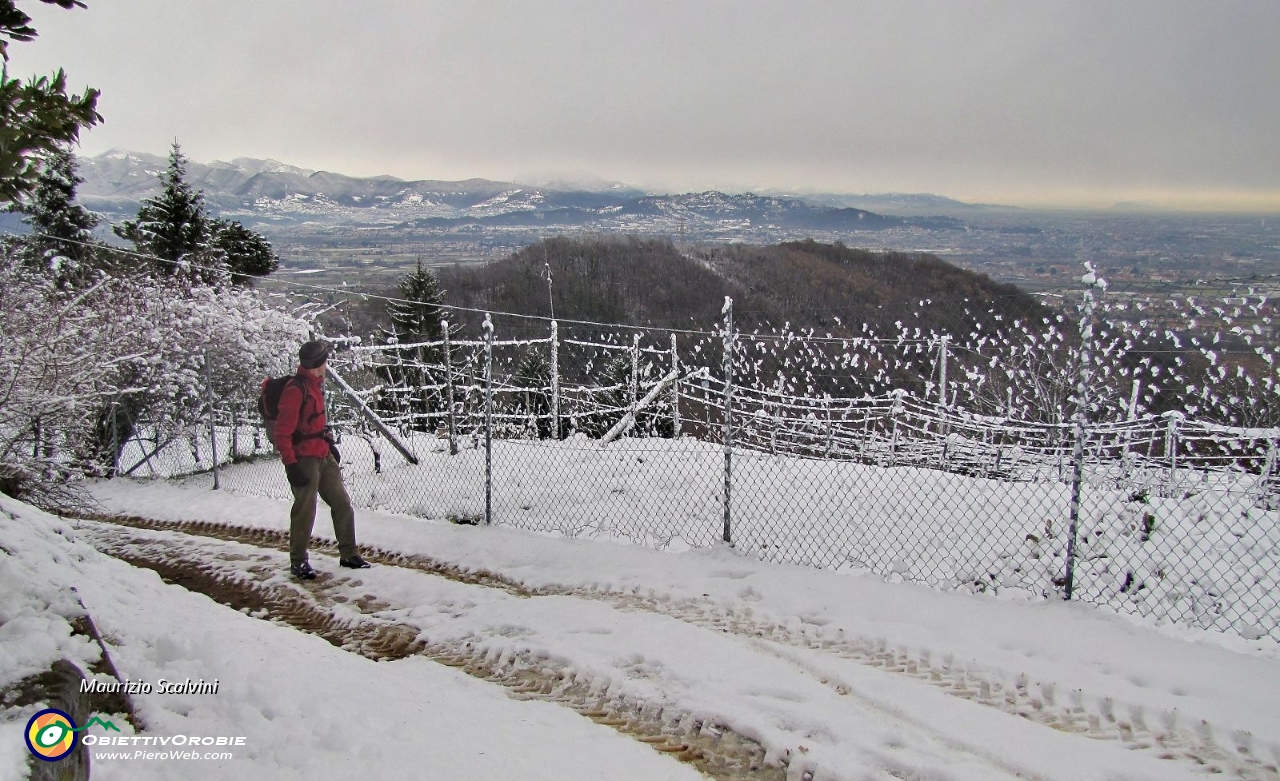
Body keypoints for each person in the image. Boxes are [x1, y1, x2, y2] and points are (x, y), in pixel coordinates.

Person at [275, 339, 370, 579]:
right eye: (324, 361)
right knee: (305, 510)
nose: (327, 365)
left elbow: (313, 421)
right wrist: (291, 463)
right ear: (318, 364)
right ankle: (298, 561)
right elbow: (282, 431)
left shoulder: (315, 384)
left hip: (322, 453)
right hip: (304, 459)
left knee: (341, 503)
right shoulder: (296, 390)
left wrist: (327, 443)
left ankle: (349, 553)